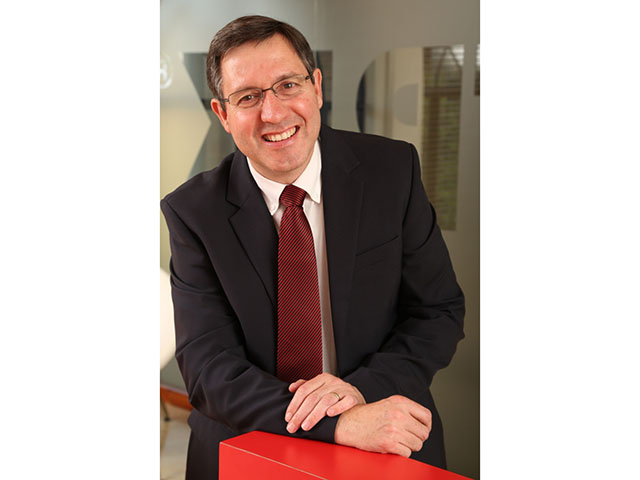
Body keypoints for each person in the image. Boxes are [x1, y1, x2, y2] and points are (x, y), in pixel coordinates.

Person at [161, 15, 465, 480]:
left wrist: (358, 393)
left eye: (288, 85)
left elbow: (437, 311)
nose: (273, 113)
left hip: (383, 431)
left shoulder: (392, 170)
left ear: (317, 87)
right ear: (222, 114)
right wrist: (336, 423)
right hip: (247, 445)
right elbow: (209, 370)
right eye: (248, 97)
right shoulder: (193, 212)